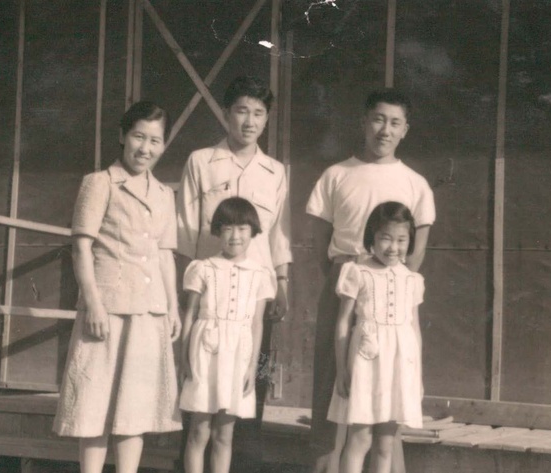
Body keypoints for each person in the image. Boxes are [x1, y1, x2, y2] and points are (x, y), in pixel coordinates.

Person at [306, 89, 435, 473]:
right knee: (334, 381)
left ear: (405, 129)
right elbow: (320, 243)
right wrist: (346, 275)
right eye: (378, 119)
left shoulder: (416, 183)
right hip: (345, 282)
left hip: (391, 291)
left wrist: (388, 276)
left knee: (388, 393)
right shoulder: (336, 175)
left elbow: (416, 252)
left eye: (395, 123)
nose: (385, 130)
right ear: (364, 122)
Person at [53, 101, 182, 473]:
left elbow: (164, 255)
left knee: (134, 410)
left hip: (149, 313)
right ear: (123, 136)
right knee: (93, 406)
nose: (145, 148)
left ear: (164, 144)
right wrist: (93, 303)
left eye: (155, 140)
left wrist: (172, 308)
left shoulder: (164, 194)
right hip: (106, 311)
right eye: (139, 136)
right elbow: (81, 247)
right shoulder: (100, 183)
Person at [176, 75, 292, 320]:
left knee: (256, 347)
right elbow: (185, 230)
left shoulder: (275, 172)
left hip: (257, 291)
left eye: (258, 113)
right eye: (242, 111)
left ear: (266, 119)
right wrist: (184, 286)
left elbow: (279, 237)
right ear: (226, 113)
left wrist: (282, 284)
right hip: (209, 290)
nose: (250, 122)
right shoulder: (200, 162)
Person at [179, 197, 275, 473]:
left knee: (224, 434)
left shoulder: (259, 274)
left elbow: (257, 324)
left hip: (237, 357)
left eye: (243, 228)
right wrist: (184, 358)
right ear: (218, 231)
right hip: (204, 352)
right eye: (228, 228)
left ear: (253, 231)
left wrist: (251, 367)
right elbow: (190, 315)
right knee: (199, 432)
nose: (235, 236)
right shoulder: (203, 268)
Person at [329, 202, 424, 473]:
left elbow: (415, 330)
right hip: (365, 365)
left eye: (401, 240)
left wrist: (417, 377)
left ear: (410, 241)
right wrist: (341, 370)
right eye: (385, 238)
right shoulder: (358, 272)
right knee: (359, 440)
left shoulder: (412, 280)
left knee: (386, 444)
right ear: (372, 237)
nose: (393, 247)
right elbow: (343, 324)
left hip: (398, 368)